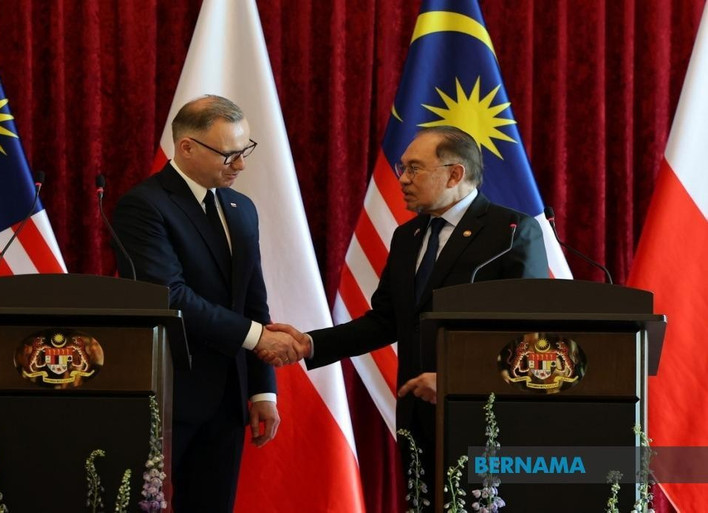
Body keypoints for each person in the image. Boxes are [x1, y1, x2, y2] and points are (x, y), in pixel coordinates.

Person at [264, 125, 549, 507]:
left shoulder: (511, 232)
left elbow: (527, 334)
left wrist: (453, 381)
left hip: (485, 416)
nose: (403, 179)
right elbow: (386, 320)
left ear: (454, 173)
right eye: (403, 168)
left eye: (414, 168)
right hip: (417, 417)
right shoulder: (408, 236)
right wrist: (311, 343)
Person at [112, 95, 299, 512]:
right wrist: (256, 339)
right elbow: (168, 296)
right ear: (187, 148)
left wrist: (262, 391)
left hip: (228, 398)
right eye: (229, 154)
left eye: (245, 150)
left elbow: (254, 301)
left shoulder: (241, 208)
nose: (241, 165)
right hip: (166, 397)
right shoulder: (144, 206)